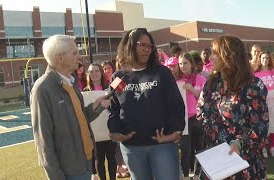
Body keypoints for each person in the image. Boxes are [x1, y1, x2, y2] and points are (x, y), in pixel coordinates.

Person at [108, 28, 185, 180]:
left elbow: (176, 105)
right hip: (132, 149)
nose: (147, 49)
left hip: (162, 147)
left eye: (149, 46)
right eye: (142, 45)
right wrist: (117, 132)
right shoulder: (119, 77)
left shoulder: (161, 73)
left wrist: (174, 133)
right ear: (129, 45)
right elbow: (114, 108)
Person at [30, 35, 111, 180]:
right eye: (74, 53)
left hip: (85, 162)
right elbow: (43, 141)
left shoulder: (71, 81)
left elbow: (79, 117)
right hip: (68, 171)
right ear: (60, 58)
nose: (79, 56)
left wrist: (95, 106)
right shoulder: (43, 88)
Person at [197, 36, 269, 179]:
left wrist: (239, 142)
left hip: (242, 162)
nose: (210, 57)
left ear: (229, 56)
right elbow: (201, 111)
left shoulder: (253, 85)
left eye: (215, 53)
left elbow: (260, 127)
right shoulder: (210, 84)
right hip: (215, 161)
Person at [84, 64, 117, 180]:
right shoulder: (84, 90)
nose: (94, 74)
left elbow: (122, 82)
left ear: (101, 72)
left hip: (109, 129)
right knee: (99, 159)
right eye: (91, 71)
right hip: (95, 133)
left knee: (112, 158)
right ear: (88, 74)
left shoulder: (110, 86)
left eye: (97, 71)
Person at [177, 53, 206, 180]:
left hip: (198, 118)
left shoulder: (200, 79)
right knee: (185, 149)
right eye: (180, 63)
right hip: (184, 119)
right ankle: (185, 175)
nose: (182, 66)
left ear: (191, 64)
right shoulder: (177, 81)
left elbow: (205, 99)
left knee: (200, 147)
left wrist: (192, 90)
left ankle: (197, 174)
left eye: (185, 63)